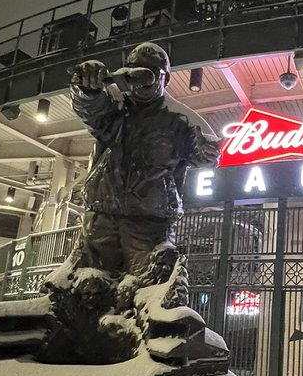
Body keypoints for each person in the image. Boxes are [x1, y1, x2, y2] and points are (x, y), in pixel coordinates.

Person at [69, 42, 219, 277]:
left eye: (150, 73)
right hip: (101, 215)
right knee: (87, 284)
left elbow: (205, 155)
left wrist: (206, 152)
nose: (141, 81)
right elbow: (90, 109)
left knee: (146, 286)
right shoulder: (114, 109)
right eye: (134, 71)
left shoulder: (180, 121)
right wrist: (89, 89)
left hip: (150, 224)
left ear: (165, 79)